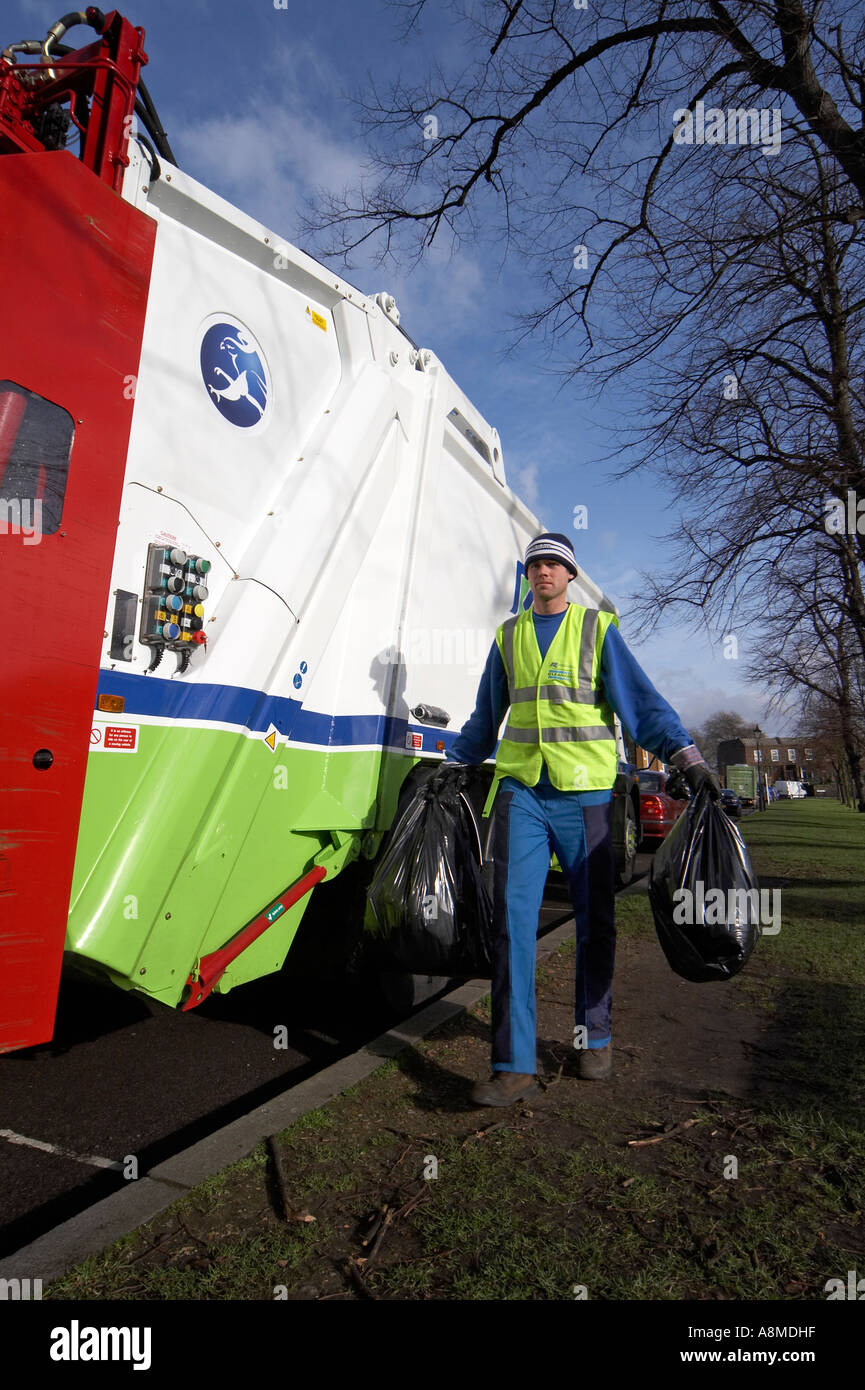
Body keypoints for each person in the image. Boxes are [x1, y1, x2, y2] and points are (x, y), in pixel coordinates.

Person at [441, 532, 720, 1106]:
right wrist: (454, 763)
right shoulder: (508, 635)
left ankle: (593, 1039)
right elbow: (485, 716)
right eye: (536, 563)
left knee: (595, 920)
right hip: (521, 791)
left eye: (555, 564)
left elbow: (639, 705)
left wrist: (686, 756)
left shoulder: (596, 630)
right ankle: (512, 1065)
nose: (544, 571)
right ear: (528, 574)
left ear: (570, 575)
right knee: (512, 924)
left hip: (587, 796)